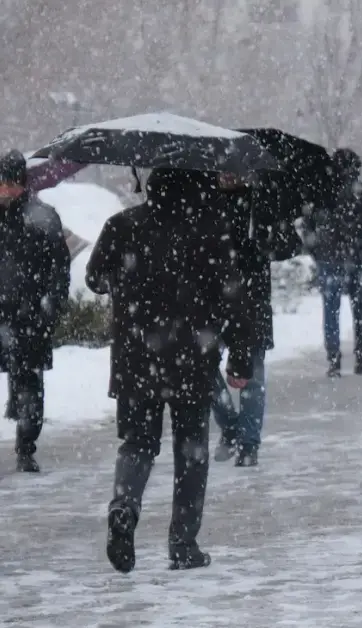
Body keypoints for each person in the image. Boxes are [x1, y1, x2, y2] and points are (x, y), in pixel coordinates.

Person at [86, 168, 255, 573]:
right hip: (191, 360)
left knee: (137, 444)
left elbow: (93, 278)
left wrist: (124, 281)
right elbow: (233, 299)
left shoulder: (121, 225)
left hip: (135, 359)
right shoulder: (210, 231)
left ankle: (124, 507)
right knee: (191, 452)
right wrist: (240, 357)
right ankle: (183, 544)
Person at [210, 173, 303, 468]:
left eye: (233, 170)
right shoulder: (206, 201)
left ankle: (249, 444)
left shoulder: (262, 202)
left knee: (253, 373)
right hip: (212, 298)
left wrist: (266, 238)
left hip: (253, 297)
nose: (227, 175)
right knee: (203, 366)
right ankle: (230, 425)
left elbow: (290, 244)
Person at [0, 150, 70, 473]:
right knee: (27, 382)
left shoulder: (43, 218)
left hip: (30, 317)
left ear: (21, 183)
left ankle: (26, 446)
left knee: (29, 385)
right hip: (8, 314)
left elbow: (59, 269)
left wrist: (50, 309)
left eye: (9, 183)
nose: (4, 189)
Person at [305, 148, 362, 378]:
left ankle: (333, 359)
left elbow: (308, 225)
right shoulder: (361, 191)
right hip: (356, 257)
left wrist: (316, 251)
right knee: (359, 306)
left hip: (329, 258)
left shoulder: (321, 191)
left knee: (331, 308)